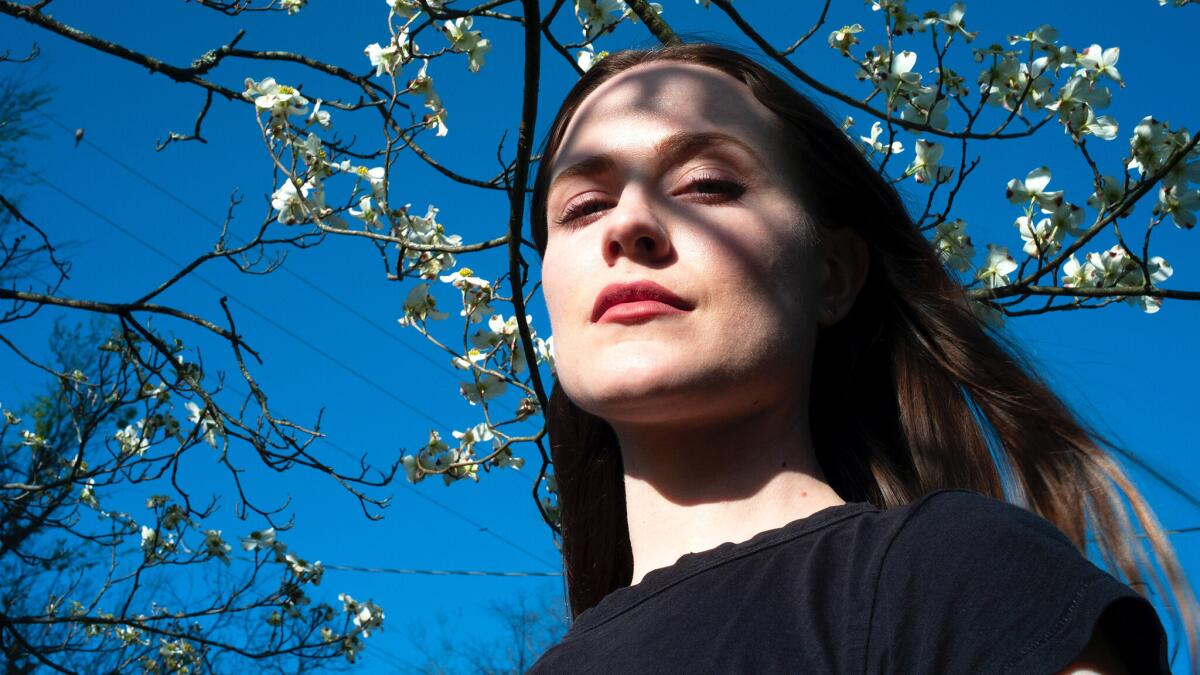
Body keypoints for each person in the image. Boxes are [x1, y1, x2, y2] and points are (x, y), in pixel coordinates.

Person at [524, 43, 1196, 674]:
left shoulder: (953, 576)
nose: (628, 222)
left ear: (833, 274)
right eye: (583, 206)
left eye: (707, 184)